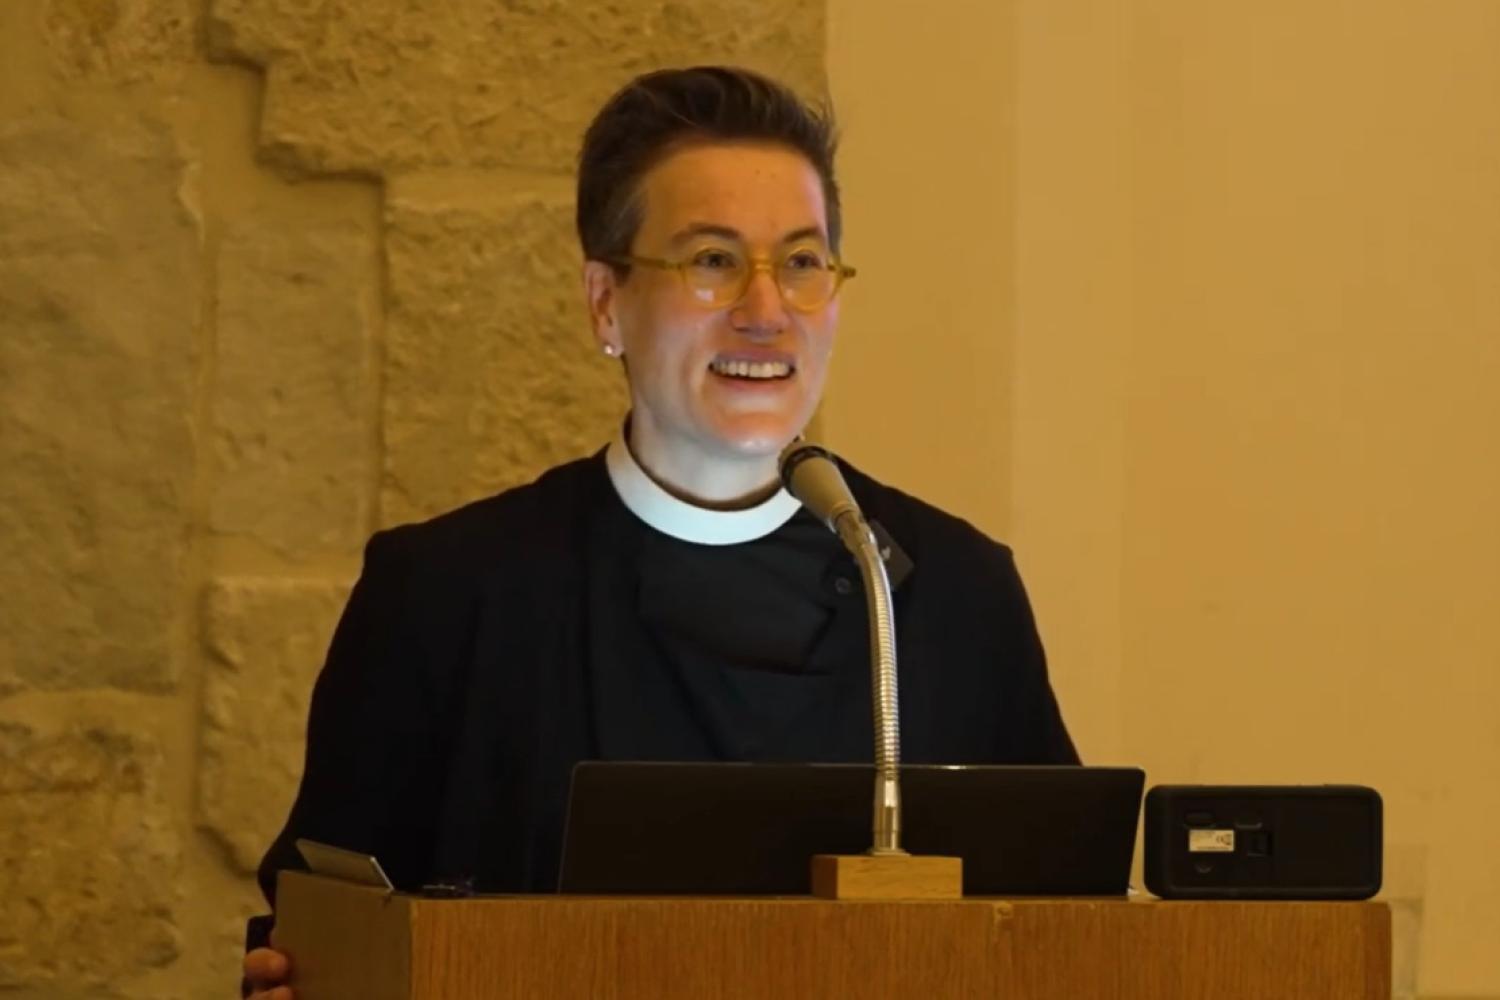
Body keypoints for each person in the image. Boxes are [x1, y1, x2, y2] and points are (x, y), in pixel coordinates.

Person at [242, 64, 1077, 999]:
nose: (765, 314)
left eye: (802, 262)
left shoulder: (951, 596)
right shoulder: (448, 595)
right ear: (607, 302)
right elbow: (318, 933)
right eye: (713, 261)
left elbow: (1062, 931)